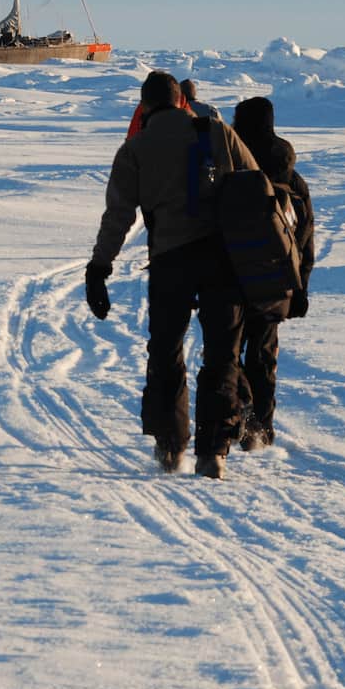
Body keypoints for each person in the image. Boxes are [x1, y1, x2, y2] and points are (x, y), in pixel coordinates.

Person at [85, 71, 259, 478]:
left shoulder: (135, 149)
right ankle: (213, 451)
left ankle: (169, 446)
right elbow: (255, 186)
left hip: (169, 262)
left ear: (144, 108)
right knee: (221, 354)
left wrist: (100, 267)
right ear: (183, 101)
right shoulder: (217, 132)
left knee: (166, 352)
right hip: (222, 260)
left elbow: (118, 217)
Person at [229, 96, 315, 451]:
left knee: (227, 350)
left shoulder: (230, 165)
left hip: (232, 275)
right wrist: (301, 285)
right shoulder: (290, 175)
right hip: (276, 279)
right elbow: (305, 236)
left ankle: (240, 407)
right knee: (263, 352)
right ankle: (260, 429)